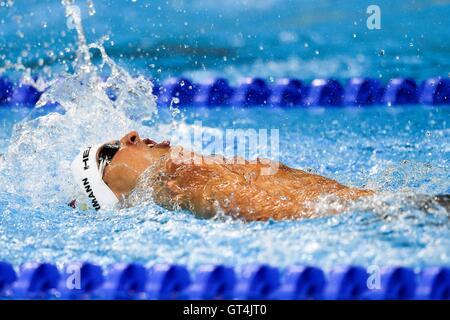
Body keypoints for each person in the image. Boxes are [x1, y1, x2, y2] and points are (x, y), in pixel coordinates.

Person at [71, 131, 448, 221]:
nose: (131, 137)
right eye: (108, 153)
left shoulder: (187, 175)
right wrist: (389, 208)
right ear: (108, 190)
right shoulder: (180, 181)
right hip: (399, 213)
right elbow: (266, 207)